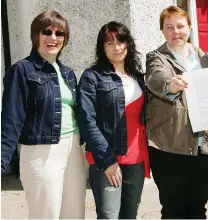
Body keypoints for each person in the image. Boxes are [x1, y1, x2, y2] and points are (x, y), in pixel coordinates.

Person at [1, 11, 86, 219]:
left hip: (74, 148)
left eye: (60, 33)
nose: (53, 38)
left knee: (74, 214)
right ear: (36, 35)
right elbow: (11, 118)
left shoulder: (67, 72)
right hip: (41, 150)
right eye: (47, 32)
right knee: (45, 214)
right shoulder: (22, 70)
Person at [145, 5, 208, 219]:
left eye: (180, 26)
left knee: (198, 209)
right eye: (169, 27)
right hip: (169, 146)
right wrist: (170, 84)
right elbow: (156, 78)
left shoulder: (206, 59)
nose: (175, 32)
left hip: (203, 146)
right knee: (173, 209)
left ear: (190, 28)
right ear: (162, 31)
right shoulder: (156, 57)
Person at [77, 21, 150, 219]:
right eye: (110, 43)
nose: (116, 47)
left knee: (130, 215)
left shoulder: (138, 77)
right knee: (109, 216)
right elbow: (86, 121)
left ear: (128, 44)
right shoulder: (92, 77)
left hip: (136, 159)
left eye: (120, 41)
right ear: (102, 47)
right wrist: (108, 160)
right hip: (106, 159)